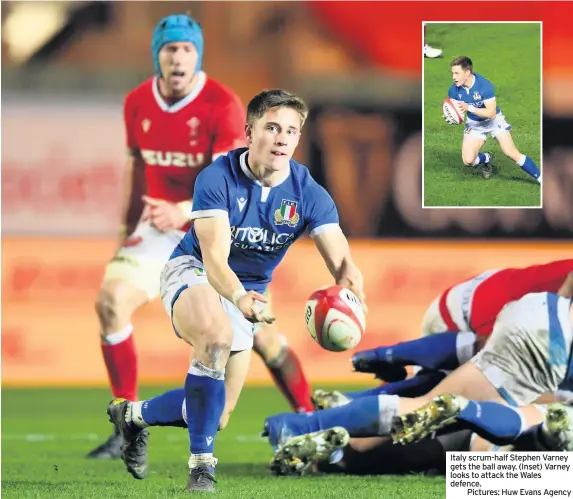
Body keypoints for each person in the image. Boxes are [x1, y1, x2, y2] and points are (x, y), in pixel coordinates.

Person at [107, 88, 365, 492]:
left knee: (218, 414)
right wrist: (240, 297)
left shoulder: (308, 193)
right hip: (192, 270)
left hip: (249, 292)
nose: (281, 139)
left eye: (291, 131)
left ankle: (133, 416)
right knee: (215, 337)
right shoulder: (216, 177)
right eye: (272, 127)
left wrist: (350, 287)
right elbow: (214, 259)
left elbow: (342, 259)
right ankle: (201, 469)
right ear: (249, 131)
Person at [89, 14, 314, 460]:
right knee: (110, 302)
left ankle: (308, 418)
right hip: (158, 230)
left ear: (198, 56)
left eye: (187, 49)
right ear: (158, 54)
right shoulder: (137, 102)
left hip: (213, 231)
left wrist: (183, 211)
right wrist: (126, 229)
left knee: (262, 340)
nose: (177, 58)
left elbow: (230, 185)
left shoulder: (222, 105)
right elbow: (137, 166)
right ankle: (124, 425)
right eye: (170, 49)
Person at [264, 272, 573, 474]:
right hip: (537, 340)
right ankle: (309, 428)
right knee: (486, 458)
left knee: (436, 426)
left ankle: (337, 446)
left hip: (540, 311)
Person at [313, 259, 573, 410]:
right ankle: (352, 407)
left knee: (445, 397)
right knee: (447, 402)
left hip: (489, 305)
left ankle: (352, 400)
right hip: (468, 314)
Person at [446, 56, 541, 182]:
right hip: (474, 125)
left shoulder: (484, 86)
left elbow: (491, 113)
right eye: (453, 73)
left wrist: (469, 108)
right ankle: (487, 158)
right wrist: (450, 116)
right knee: (468, 160)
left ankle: (541, 178)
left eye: (457, 73)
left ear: (467, 72)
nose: (453, 77)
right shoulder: (453, 90)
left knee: (511, 153)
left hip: (494, 122)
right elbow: (456, 110)